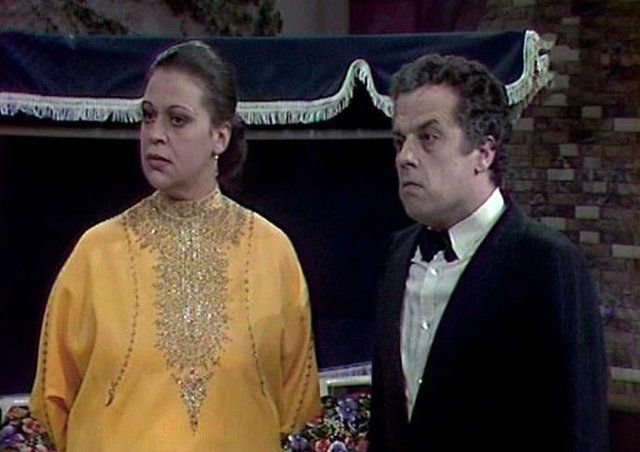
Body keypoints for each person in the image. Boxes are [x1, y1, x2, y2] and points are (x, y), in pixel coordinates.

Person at [29, 41, 320, 451]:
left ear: (220, 136)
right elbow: (52, 405)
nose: (155, 134)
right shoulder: (96, 254)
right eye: (148, 116)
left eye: (177, 119)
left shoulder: (272, 254)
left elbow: (296, 407)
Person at [368, 54, 608, 451]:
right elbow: (387, 417)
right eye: (399, 141)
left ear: (484, 152)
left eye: (428, 137)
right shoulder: (397, 254)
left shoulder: (546, 262)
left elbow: (579, 429)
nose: (405, 157)